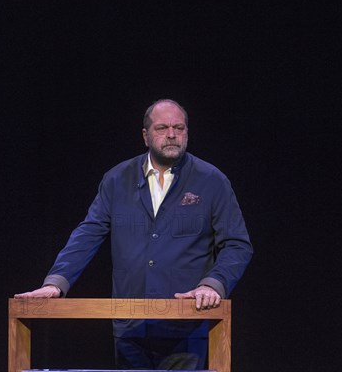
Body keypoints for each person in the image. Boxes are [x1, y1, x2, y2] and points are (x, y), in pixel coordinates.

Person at [15, 99, 253, 370]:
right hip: (130, 327)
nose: (172, 134)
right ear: (146, 135)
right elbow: (89, 233)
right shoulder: (117, 179)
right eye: (162, 128)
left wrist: (213, 284)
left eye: (179, 128)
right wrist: (56, 283)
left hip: (185, 326)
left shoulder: (212, 180)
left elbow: (237, 244)